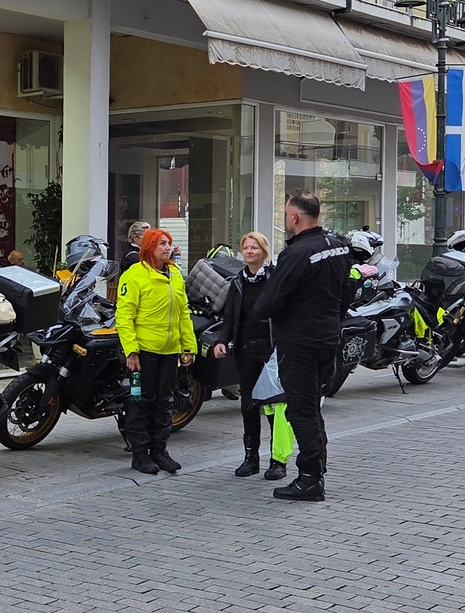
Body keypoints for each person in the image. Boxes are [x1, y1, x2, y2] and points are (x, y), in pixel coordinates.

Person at [245, 192, 352, 501]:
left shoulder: (296, 253)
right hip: (327, 337)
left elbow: (270, 300)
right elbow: (347, 288)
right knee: (312, 406)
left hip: (300, 342)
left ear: (294, 217)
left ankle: (309, 479)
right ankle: (316, 469)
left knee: (301, 410)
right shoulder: (339, 245)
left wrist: (258, 312)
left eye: (287, 214)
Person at [211, 231, 293, 480]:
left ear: (264, 251)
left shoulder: (275, 279)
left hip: (271, 352)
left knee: (275, 406)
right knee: (248, 405)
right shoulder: (238, 282)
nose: (249, 251)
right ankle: (251, 458)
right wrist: (221, 341)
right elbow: (229, 316)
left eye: (254, 247)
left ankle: (278, 461)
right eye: (246, 247)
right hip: (245, 351)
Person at [115, 228, 196, 476]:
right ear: (149, 247)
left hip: (169, 352)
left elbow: (183, 313)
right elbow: (124, 316)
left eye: (169, 243)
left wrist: (188, 347)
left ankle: (159, 451)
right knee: (141, 402)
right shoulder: (134, 275)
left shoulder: (175, 274)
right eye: (162, 243)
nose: (167, 248)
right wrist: (131, 351)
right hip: (144, 353)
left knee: (165, 403)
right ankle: (140, 454)